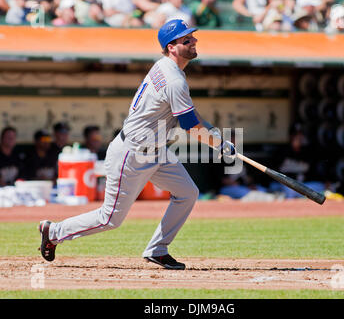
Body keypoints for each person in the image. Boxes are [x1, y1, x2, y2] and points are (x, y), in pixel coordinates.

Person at [38, 19, 236, 270]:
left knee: (188, 193)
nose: (194, 41)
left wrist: (217, 138)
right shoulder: (174, 79)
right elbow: (189, 125)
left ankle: (157, 249)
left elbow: (191, 116)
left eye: (192, 37)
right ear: (172, 47)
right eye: (187, 39)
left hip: (156, 150)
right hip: (132, 153)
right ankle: (53, 231)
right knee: (110, 218)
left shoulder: (165, 67)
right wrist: (217, 144)